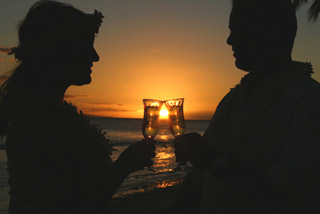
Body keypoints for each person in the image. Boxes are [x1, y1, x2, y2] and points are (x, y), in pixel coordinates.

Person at [0, 1, 155, 214]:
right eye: (87, 46)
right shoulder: (40, 118)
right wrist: (124, 166)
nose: (95, 56)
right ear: (62, 51)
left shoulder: (47, 110)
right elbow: (69, 202)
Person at [171, 0, 320, 213]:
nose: (229, 40)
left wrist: (213, 160)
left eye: (239, 30)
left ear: (270, 32)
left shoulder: (309, 102)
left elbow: (288, 192)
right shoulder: (232, 99)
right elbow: (199, 182)